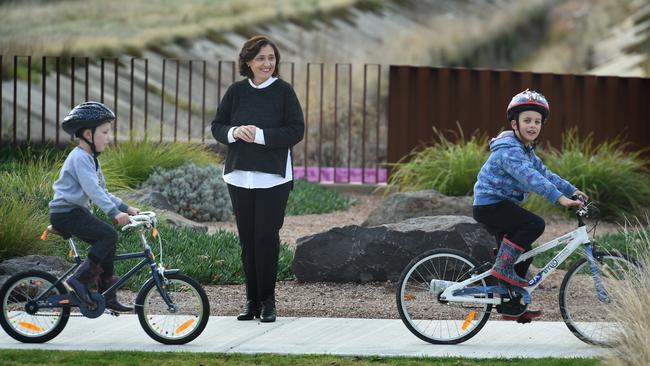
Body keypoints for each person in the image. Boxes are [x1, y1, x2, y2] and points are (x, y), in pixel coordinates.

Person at [211, 35, 305, 323]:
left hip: (273, 179)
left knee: (266, 239)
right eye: (261, 58)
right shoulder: (236, 92)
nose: (267, 63)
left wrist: (260, 135)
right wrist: (234, 132)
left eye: (271, 58)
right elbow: (217, 126)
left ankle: (268, 302)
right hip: (239, 176)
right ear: (248, 62)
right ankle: (251, 302)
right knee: (247, 241)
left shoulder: (284, 92)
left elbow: (295, 131)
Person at [472, 89, 588, 321]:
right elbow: (531, 178)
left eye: (537, 121)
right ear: (514, 124)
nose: (533, 126)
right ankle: (502, 270)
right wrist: (560, 198)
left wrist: (570, 189)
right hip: (491, 205)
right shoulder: (509, 151)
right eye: (527, 121)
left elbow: (544, 173)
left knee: (525, 254)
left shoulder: (526, 150)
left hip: (501, 204)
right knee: (534, 224)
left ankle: (511, 306)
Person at [49, 101, 139, 312]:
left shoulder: (90, 159)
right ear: (88, 134)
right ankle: (78, 280)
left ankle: (107, 295)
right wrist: (114, 213)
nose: (108, 138)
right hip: (66, 213)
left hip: (75, 212)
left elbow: (103, 191)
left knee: (107, 242)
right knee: (108, 235)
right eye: (105, 132)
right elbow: (93, 191)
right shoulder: (80, 158)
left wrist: (126, 208)